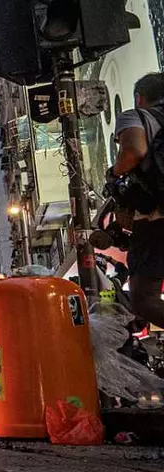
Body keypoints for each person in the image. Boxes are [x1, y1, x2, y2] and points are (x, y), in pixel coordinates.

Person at [107, 73, 164, 327]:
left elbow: (134, 151)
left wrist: (114, 173)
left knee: (143, 297)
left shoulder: (136, 116)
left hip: (156, 220)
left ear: (139, 98)